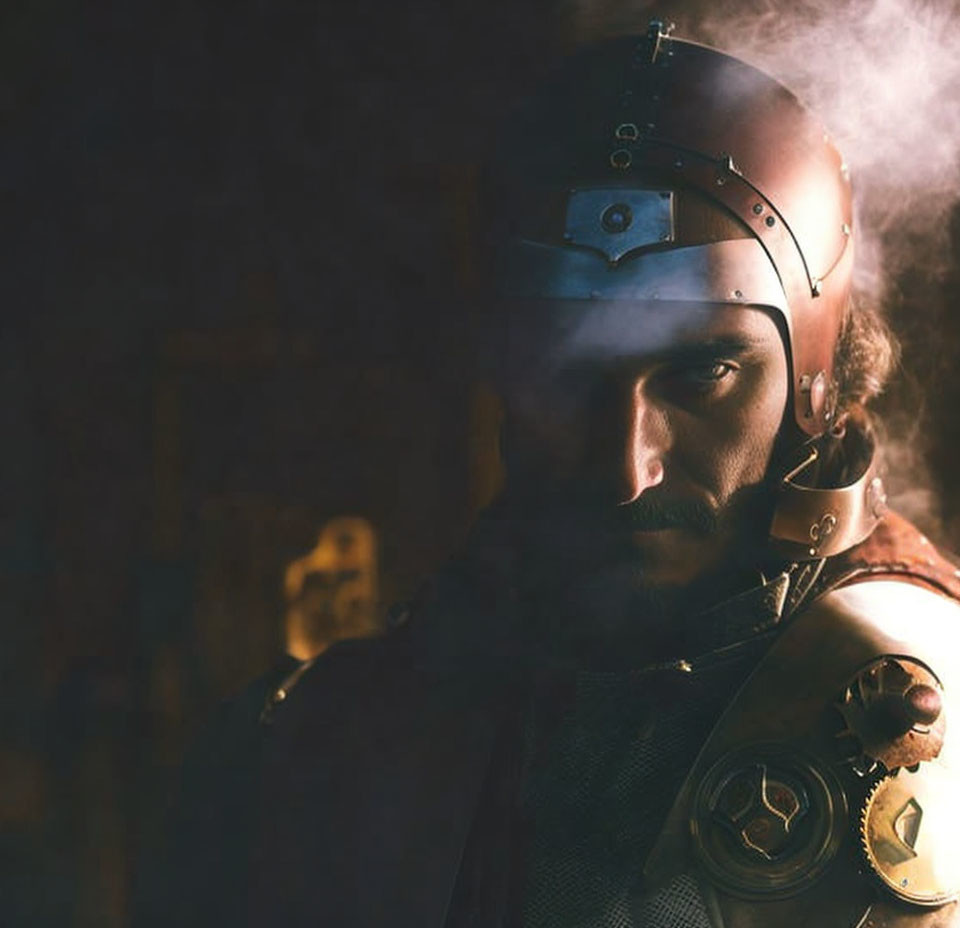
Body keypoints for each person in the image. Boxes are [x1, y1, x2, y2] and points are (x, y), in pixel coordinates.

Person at [164, 22, 960, 928]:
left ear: (812, 381)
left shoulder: (919, 719)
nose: (625, 467)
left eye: (701, 372)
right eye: (567, 372)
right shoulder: (329, 734)